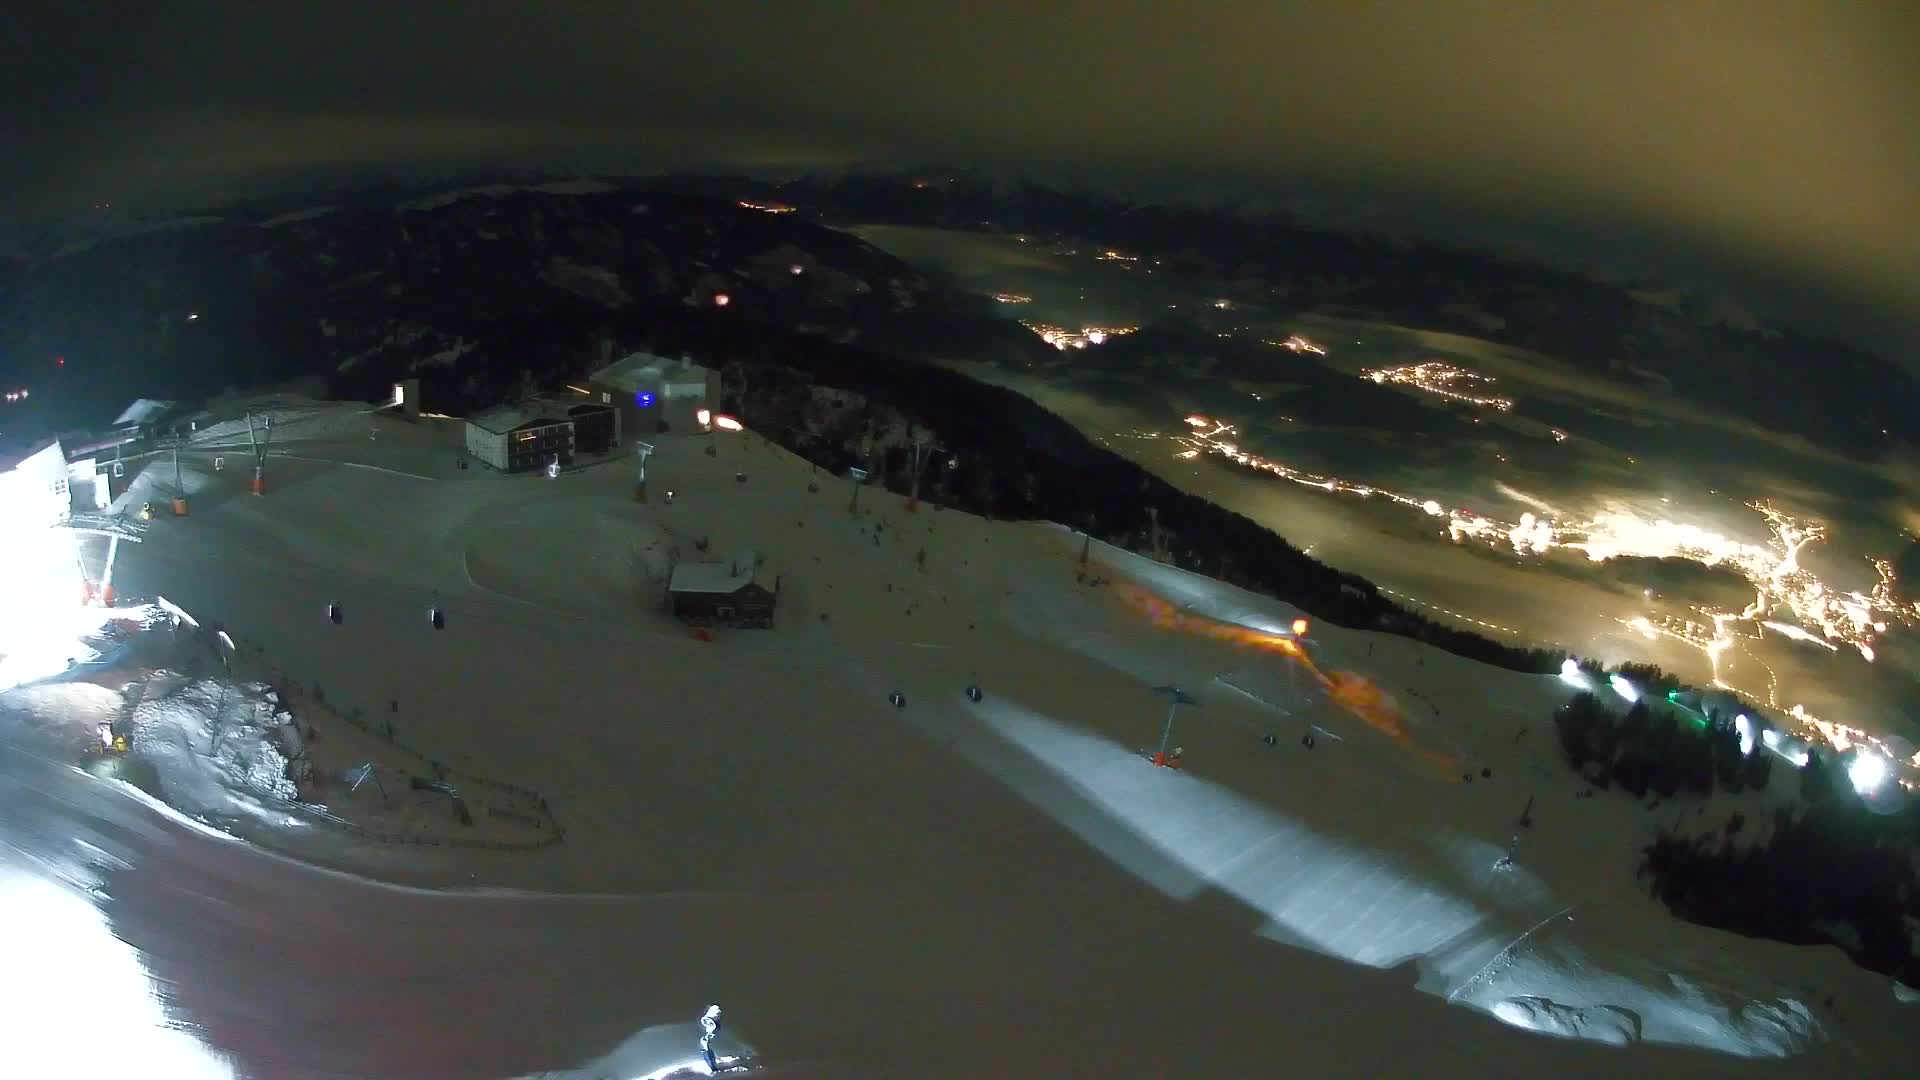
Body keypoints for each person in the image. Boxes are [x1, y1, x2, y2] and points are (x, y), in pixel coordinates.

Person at [699, 1003, 723, 1072]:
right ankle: (713, 1066)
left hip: (713, 1027)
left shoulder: (714, 1012)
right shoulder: (715, 1012)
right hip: (713, 1027)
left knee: (705, 1045)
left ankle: (713, 1067)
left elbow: (713, 1023)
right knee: (705, 1044)